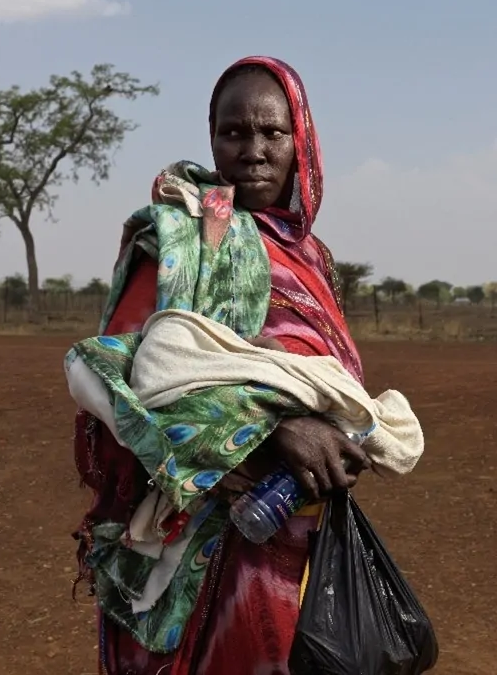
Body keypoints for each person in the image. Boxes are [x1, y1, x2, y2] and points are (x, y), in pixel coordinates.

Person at [72, 56, 384, 675]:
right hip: (206, 531)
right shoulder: (183, 240)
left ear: (303, 142)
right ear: (211, 138)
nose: (254, 150)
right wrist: (274, 430)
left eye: (273, 132)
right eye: (233, 132)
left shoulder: (310, 257)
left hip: (298, 530)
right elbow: (129, 378)